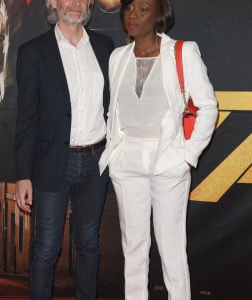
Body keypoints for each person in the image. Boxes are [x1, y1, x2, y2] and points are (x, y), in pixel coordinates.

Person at [98, 0, 218, 299]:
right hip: (126, 162)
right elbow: (115, 111)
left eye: (143, 9)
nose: (133, 15)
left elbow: (208, 106)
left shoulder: (182, 52)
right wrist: (115, 153)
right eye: (129, 8)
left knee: (171, 250)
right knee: (134, 249)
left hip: (167, 160)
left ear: (159, 15)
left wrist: (187, 157)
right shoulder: (117, 57)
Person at [14, 0, 114, 299]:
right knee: (46, 249)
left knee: (88, 244)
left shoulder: (105, 46)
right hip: (53, 162)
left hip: (96, 162)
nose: (75, 3)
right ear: (53, 3)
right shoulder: (32, 52)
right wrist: (23, 176)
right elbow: (26, 118)